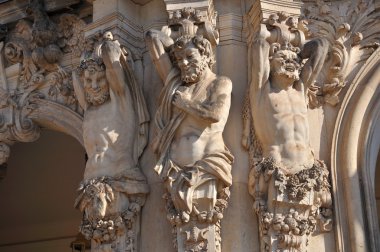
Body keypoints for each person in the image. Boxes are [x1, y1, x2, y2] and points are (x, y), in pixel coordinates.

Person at [146, 30, 233, 222]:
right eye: (179, 59)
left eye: (189, 56)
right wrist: (178, 43)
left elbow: (215, 114)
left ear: (206, 55)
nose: (183, 63)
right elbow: (152, 37)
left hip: (206, 168)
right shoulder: (177, 85)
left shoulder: (220, 83)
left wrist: (186, 104)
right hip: (174, 171)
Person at [243, 26, 329, 174]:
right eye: (282, 58)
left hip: (309, 168)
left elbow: (322, 46)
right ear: (269, 64)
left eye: (294, 61)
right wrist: (270, 36)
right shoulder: (262, 90)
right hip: (277, 168)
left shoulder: (300, 89)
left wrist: (300, 54)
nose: (290, 62)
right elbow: (259, 46)